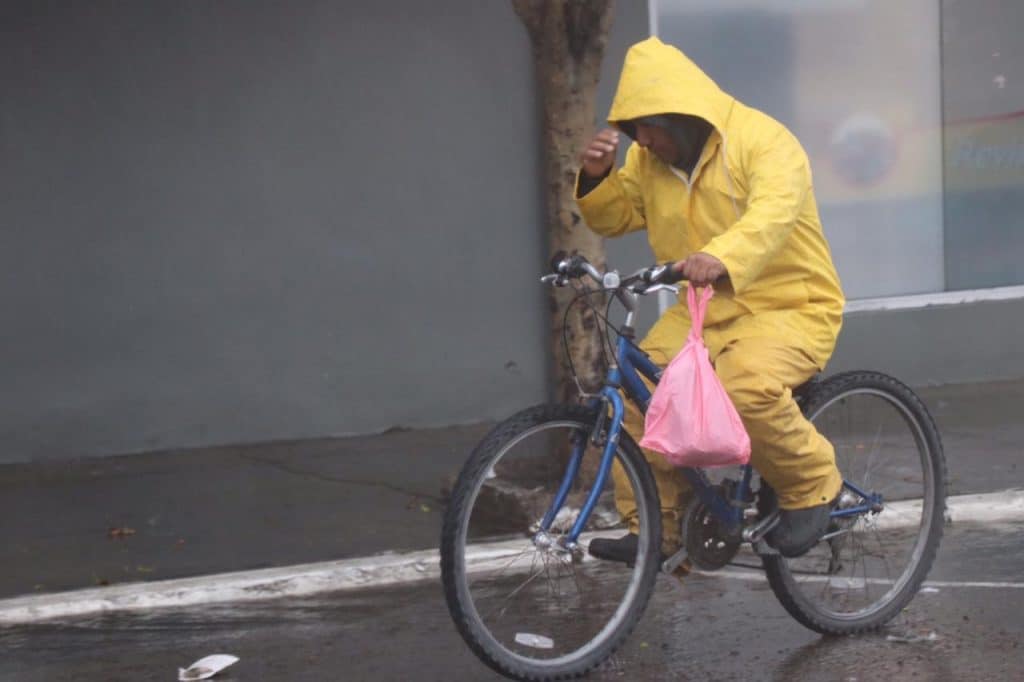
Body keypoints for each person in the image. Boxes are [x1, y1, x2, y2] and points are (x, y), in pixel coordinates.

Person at [575, 37, 846, 561]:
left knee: (747, 387)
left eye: (648, 127)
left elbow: (773, 214)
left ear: (680, 114)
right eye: (634, 131)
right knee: (635, 397)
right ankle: (659, 529)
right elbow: (615, 217)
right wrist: (595, 178)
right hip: (702, 312)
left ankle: (813, 486)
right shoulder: (649, 162)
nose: (643, 140)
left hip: (791, 306)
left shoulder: (763, 141)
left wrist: (723, 256)